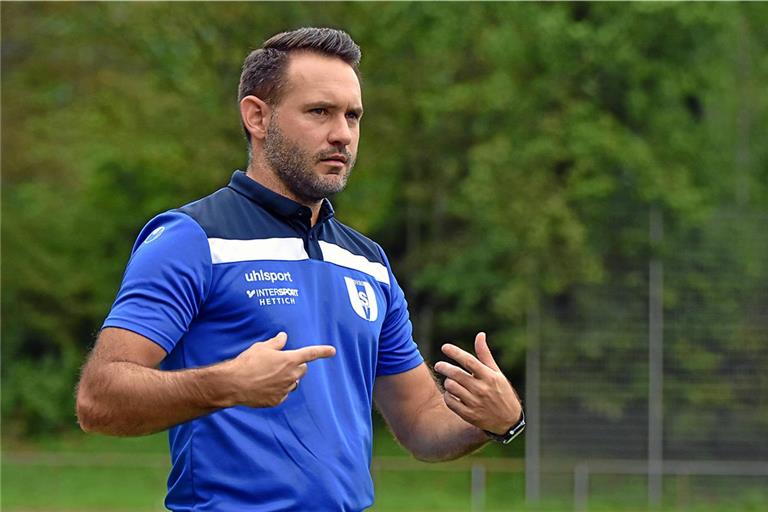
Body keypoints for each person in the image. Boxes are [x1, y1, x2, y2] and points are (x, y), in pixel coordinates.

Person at [75, 27, 524, 512]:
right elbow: (99, 399)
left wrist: (496, 420)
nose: (342, 134)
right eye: (319, 112)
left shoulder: (367, 262)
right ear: (257, 117)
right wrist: (227, 384)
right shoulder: (193, 238)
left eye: (353, 116)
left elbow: (419, 420)